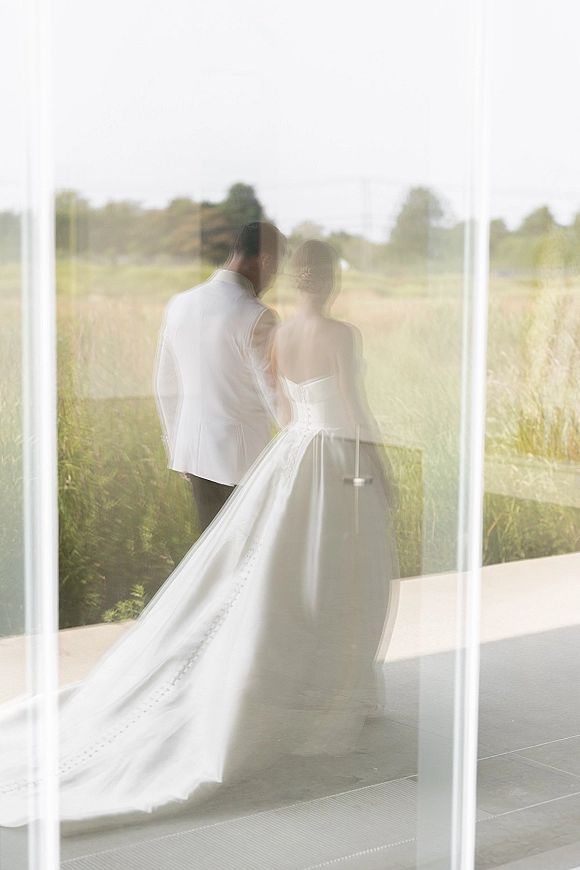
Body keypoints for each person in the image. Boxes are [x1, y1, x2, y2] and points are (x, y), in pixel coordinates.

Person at [0, 240, 399, 827]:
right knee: (337, 573)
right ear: (331, 280)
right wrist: (377, 472)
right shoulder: (341, 335)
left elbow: (285, 409)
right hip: (335, 459)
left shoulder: (279, 330)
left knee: (271, 576)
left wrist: (288, 450)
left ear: (294, 278)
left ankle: (285, 684)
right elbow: (353, 407)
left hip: (292, 456)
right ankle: (325, 695)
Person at [155, 221, 287, 533]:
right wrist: (298, 445)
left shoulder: (180, 304)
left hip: (194, 457)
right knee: (243, 559)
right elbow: (274, 395)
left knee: (210, 557)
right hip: (243, 465)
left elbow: (166, 385)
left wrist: (177, 446)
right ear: (265, 260)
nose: (273, 280)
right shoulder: (258, 316)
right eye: (277, 271)